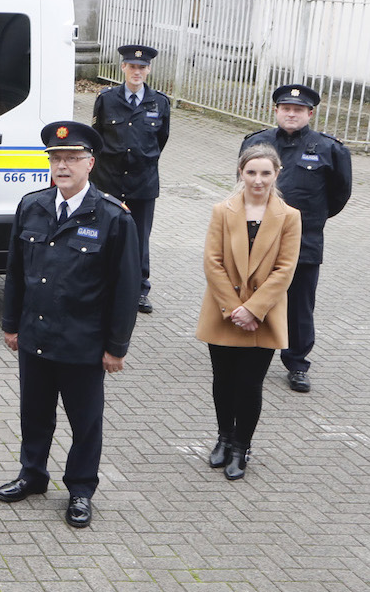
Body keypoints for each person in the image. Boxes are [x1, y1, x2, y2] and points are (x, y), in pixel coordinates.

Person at [0, 121, 139, 528]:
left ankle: (80, 489)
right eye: (56, 159)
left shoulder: (112, 217)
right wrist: (11, 323)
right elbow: (15, 271)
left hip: (83, 342)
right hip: (36, 336)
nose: (62, 166)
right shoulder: (33, 206)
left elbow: (125, 290)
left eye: (72, 159)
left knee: (85, 421)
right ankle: (32, 474)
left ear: (90, 163)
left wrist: (116, 347)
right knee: (34, 413)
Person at [195, 144, 301, 480]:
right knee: (223, 380)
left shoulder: (290, 216)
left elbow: (285, 269)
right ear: (241, 172)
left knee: (250, 384)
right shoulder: (222, 211)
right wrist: (233, 308)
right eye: (251, 172)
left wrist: (253, 309)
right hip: (223, 310)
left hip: (264, 315)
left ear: (276, 174)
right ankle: (224, 438)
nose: (258, 179)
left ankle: (242, 446)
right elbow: (212, 262)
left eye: (265, 173)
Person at [240, 84, 352, 394]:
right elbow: (244, 183)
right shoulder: (257, 142)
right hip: (257, 236)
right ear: (275, 110)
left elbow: (339, 194)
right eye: (286, 108)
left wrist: (312, 221)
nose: (291, 113)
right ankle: (250, 351)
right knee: (255, 293)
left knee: (300, 304)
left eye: (299, 109)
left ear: (310, 113)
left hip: (304, 240)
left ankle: (298, 363)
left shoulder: (330, 149)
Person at [92, 45, 170, 313]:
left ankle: (138, 290)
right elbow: (97, 136)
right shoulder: (106, 98)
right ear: (123, 68)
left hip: (142, 181)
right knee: (104, 233)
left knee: (138, 238)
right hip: (109, 179)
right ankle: (101, 285)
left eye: (142, 67)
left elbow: (161, 139)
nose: (137, 72)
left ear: (148, 70)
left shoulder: (159, 102)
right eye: (132, 66)